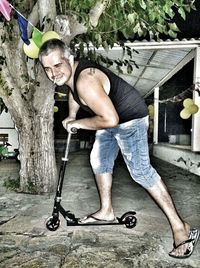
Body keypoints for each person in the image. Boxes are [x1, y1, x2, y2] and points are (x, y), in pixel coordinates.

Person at [39, 39, 199, 259]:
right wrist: (72, 115)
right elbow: (73, 93)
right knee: (99, 159)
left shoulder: (86, 79)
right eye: (47, 68)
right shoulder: (71, 76)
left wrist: (78, 124)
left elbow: (110, 119)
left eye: (57, 66)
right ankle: (106, 211)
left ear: (70, 59)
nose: (53, 73)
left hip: (129, 118)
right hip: (113, 118)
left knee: (141, 171)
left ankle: (182, 228)